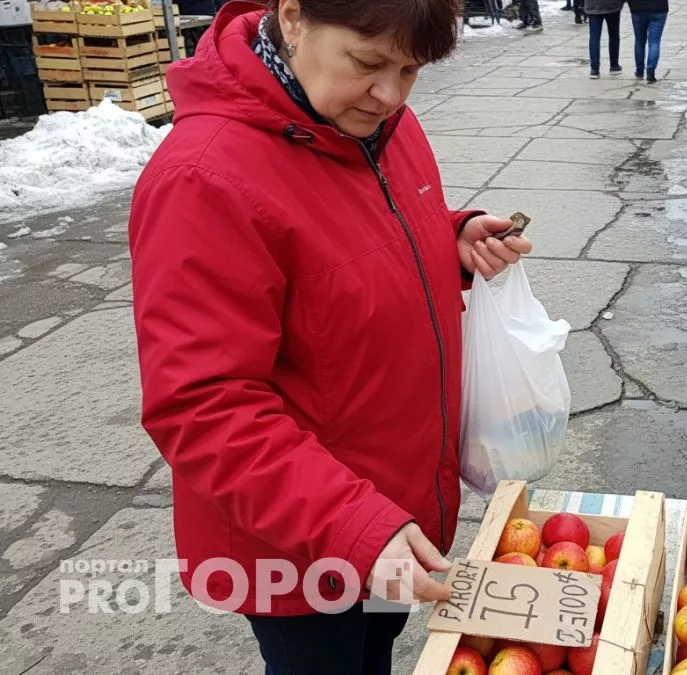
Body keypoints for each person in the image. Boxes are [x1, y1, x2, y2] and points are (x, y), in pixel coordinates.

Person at [126, 0, 532, 672]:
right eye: (370, 64)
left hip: (390, 514)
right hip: (300, 546)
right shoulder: (203, 178)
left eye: (411, 70)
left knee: (375, 653)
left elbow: (354, 237)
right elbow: (201, 405)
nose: (392, 93)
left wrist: (448, 237)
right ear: (291, 17)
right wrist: (354, 526)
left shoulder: (374, 121)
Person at [628, 0, 667, 82]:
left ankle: (639, 71)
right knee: (654, 42)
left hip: (638, 8)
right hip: (659, 8)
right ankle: (650, 72)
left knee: (639, 41)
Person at [586, 0, 623, 78]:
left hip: (592, 6)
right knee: (614, 35)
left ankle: (594, 69)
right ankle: (614, 65)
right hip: (612, 5)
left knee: (594, 37)